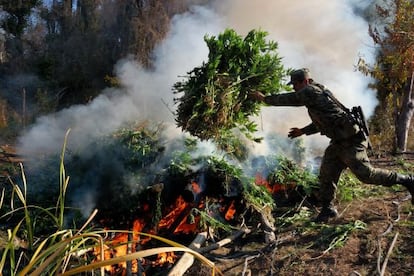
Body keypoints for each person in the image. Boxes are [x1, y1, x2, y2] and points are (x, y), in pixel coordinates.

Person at [249, 68, 414, 222]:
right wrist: (303, 131)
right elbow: (325, 122)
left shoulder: (310, 91)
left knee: (366, 175)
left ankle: (406, 180)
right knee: (327, 174)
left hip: (350, 141)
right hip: (338, 142)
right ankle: (327, 209)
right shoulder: (315, 93)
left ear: (304, 82)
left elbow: (289, 99)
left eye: (295, 85)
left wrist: (265, 99)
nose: (294, 88)